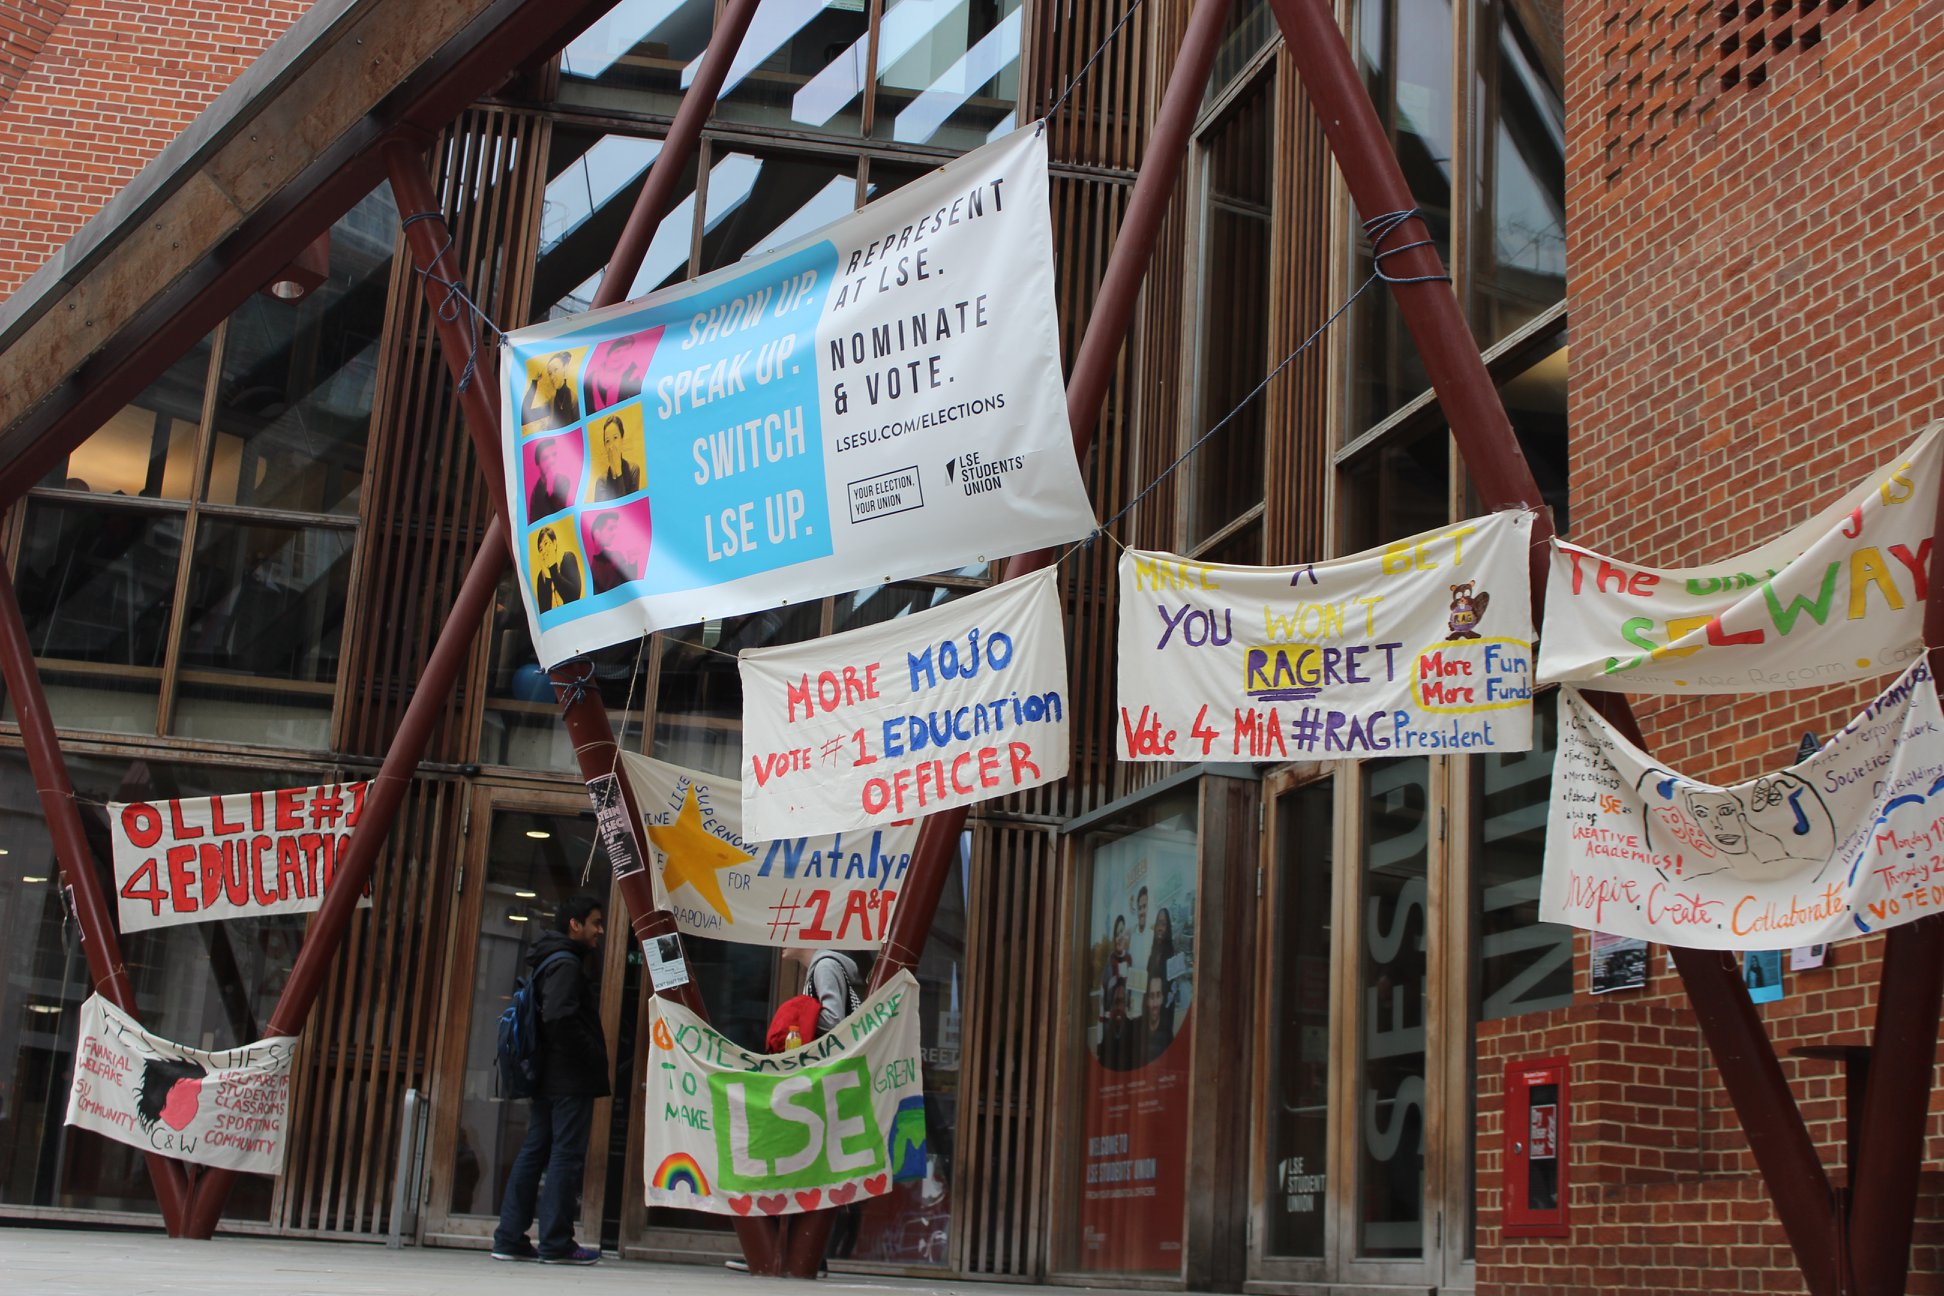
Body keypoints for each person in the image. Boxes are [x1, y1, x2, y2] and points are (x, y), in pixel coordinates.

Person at [493, 895, 609, 1265]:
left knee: (536, 1150)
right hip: (568, 1079)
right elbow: (559, 1016)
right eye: (594, 922)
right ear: (574, 925)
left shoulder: (548, 960)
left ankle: (510, 1236)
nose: (600, 931)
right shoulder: (567, 966)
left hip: (547, 1075)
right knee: (565, 1155)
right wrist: (590, 1053)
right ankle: (556, 1242)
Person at [520, 351, 579, 431]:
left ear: (565, 368)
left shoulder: (574, 400)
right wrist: (534, 383)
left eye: (556, 370)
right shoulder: (551, 403)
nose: (552, 377)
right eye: (550, 373)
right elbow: (523, 417)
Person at [586, 511, 643, 594]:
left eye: (615, 529)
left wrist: (632, 563)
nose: (614, 533)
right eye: (610, 529)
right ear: (597, 533)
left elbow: (628, 588)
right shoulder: (586, 562)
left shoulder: (616, 557)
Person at [589, 415, 643, 501]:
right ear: (605, 446)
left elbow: (631, 507)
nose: (611, 446)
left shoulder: (633, 469)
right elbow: (601, 513)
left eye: (615, 438)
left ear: (622, 438)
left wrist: (618, 473)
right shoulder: (601, 481)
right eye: (607, 441)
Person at [533, 527, 583, 611]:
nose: (544, 551)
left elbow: (574, 597)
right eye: (540, 549)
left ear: (554, 543)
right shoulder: (541, 576)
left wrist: (553, 569)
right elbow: (544, 611)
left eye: (546, 543)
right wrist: (548, 578)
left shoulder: (567, 558)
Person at [527, 439, 573, 520]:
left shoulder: (564, 481)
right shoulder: (536, 490)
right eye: (545, 458)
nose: (551, 461)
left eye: (554, 455)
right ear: (538, 463)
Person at [1126, 885, 1152, 981]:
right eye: (1139, 908)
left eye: (1144, 907)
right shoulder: (1130, 936)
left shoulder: (1153, 935)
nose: (1141, 911)